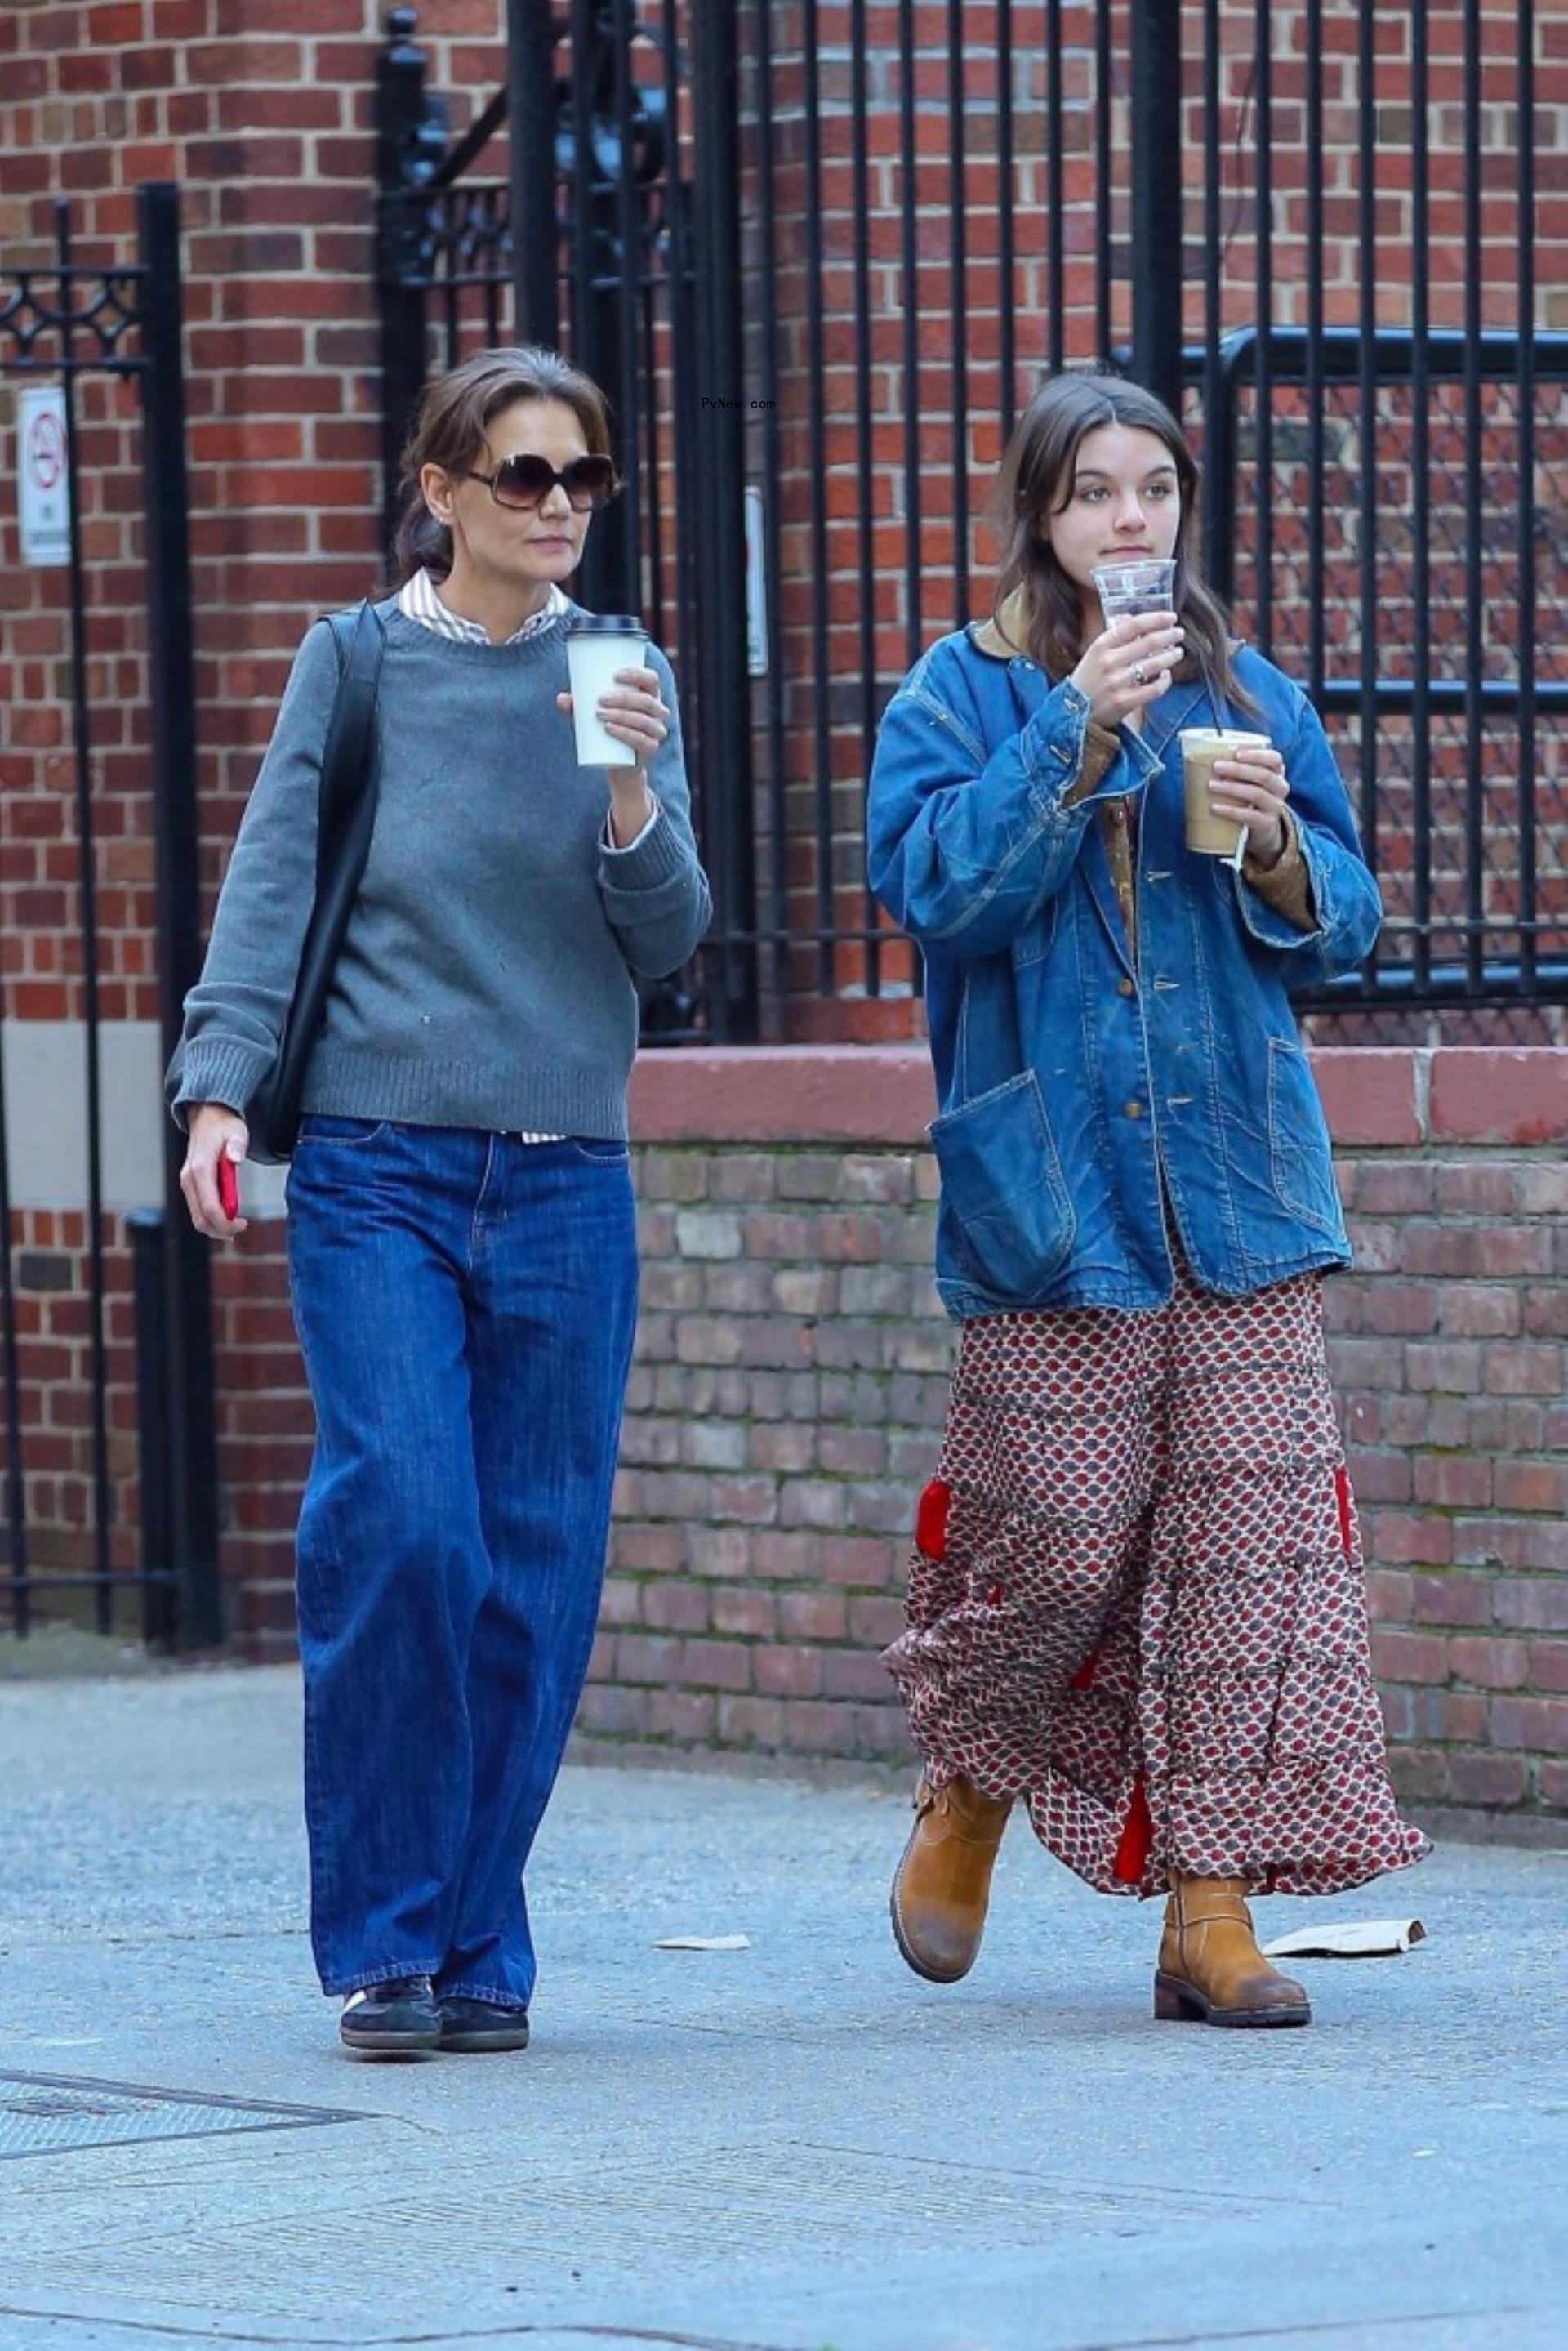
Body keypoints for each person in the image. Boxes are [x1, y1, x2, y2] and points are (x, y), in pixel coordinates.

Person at [866, 370, 1427, 2029]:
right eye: (1098, 490)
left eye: (1157, 488)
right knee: (1054, 1544)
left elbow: (1351, 925)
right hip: (1055, 1198)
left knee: (1252, 1560)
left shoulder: (1247, 688)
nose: (1132, 518)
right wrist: (1080, 729)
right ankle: (967, 1787)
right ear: (1042, 514)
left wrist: (1271, 854)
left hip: (1242, 1194)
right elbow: (939, 887)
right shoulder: (958, 698)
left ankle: (1210, 1910)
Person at [170, 346, 710, 2057]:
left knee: (533, 1569)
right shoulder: (360, 663)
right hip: (378, 1161)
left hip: (566, 1175)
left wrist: (629, 789)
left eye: (583, 481)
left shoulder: (629, 673)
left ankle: (475, 1942)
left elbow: (672, 936)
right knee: (406, 1520)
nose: (559, 508)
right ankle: (384, 1940)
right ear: (445, 490)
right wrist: (215, 1084)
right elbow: (270, 879)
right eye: (525, 477)